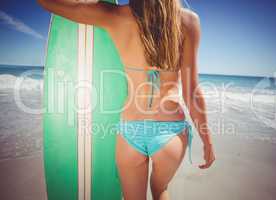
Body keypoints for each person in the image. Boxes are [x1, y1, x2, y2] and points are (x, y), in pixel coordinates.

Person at [37, 0, 216, 199]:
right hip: (171, 133)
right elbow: (191, 92)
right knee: (160, 190)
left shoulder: (115, 15)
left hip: (131, 130)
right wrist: (207, 141)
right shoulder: (188, 21)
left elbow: (57, 5)